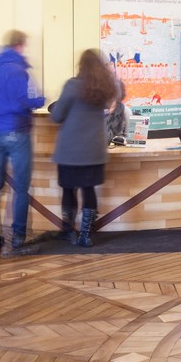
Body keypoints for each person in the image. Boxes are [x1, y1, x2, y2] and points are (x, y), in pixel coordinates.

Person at [0, 29, 46, 258]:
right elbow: (25, 101)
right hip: (17, 131)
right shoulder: (18, 69)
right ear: (20, 45)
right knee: (21, 188)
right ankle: (17, 240)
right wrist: (40, 100)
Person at [50, 49, 123, 248]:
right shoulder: (107, 87)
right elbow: (119, 93)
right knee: (88, 190)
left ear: (81, 65)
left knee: (68, 190)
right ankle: (85, 235)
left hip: (70, 150)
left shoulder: (72, 86)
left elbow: (56, 116)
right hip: (94, 150)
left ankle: (68, 231)